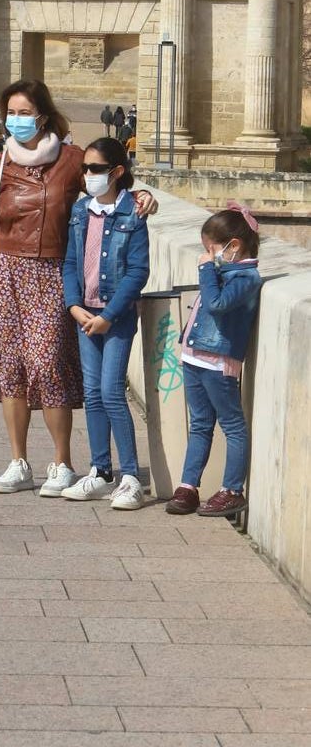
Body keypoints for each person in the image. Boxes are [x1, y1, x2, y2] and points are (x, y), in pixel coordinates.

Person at [0, 79, 156, 500]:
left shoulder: (72, 161)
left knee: (48, 362)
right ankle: (18, 461)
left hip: (52, 271)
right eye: (10, 113)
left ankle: (62, 462)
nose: (17, 120)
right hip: (5, 270)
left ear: (43, 116)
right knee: (11, 366)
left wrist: (142, 195)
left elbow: (110, 187)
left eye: (24, 112)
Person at [61, 137, 150, 511]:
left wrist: (108, 315)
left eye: (95, 169)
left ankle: (130, 476)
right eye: (85, 168)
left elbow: (138, 271)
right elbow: (70, 262)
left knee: (112, 390)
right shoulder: (81, 210)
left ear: (116, 172)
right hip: (86, 314)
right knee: (93, 392)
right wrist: (73, 305)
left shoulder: (133, 213)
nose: (88, 175)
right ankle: (100, 470)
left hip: (116, 316)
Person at [166, 203, 262, 519]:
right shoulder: (225, 271)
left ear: (234, 246)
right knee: (200, 424)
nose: (207, 255)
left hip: (218, 363)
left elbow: (217, 304)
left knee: (232, 425)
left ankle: (232, 490)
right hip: (195, 357)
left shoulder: (246, 277)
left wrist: (207, 269)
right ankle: (188, 486)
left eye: (211, 249)